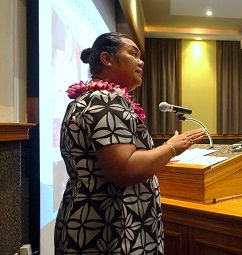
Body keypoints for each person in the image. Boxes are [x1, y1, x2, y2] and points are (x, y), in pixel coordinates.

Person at [54, 32, 206, 254]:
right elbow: (124, 169)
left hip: (94, 221)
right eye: (133, 54)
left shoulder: (88, 99)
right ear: (107, 59)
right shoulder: (106, 100)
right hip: (110, 230)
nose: (141, 61)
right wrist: (172, 147)